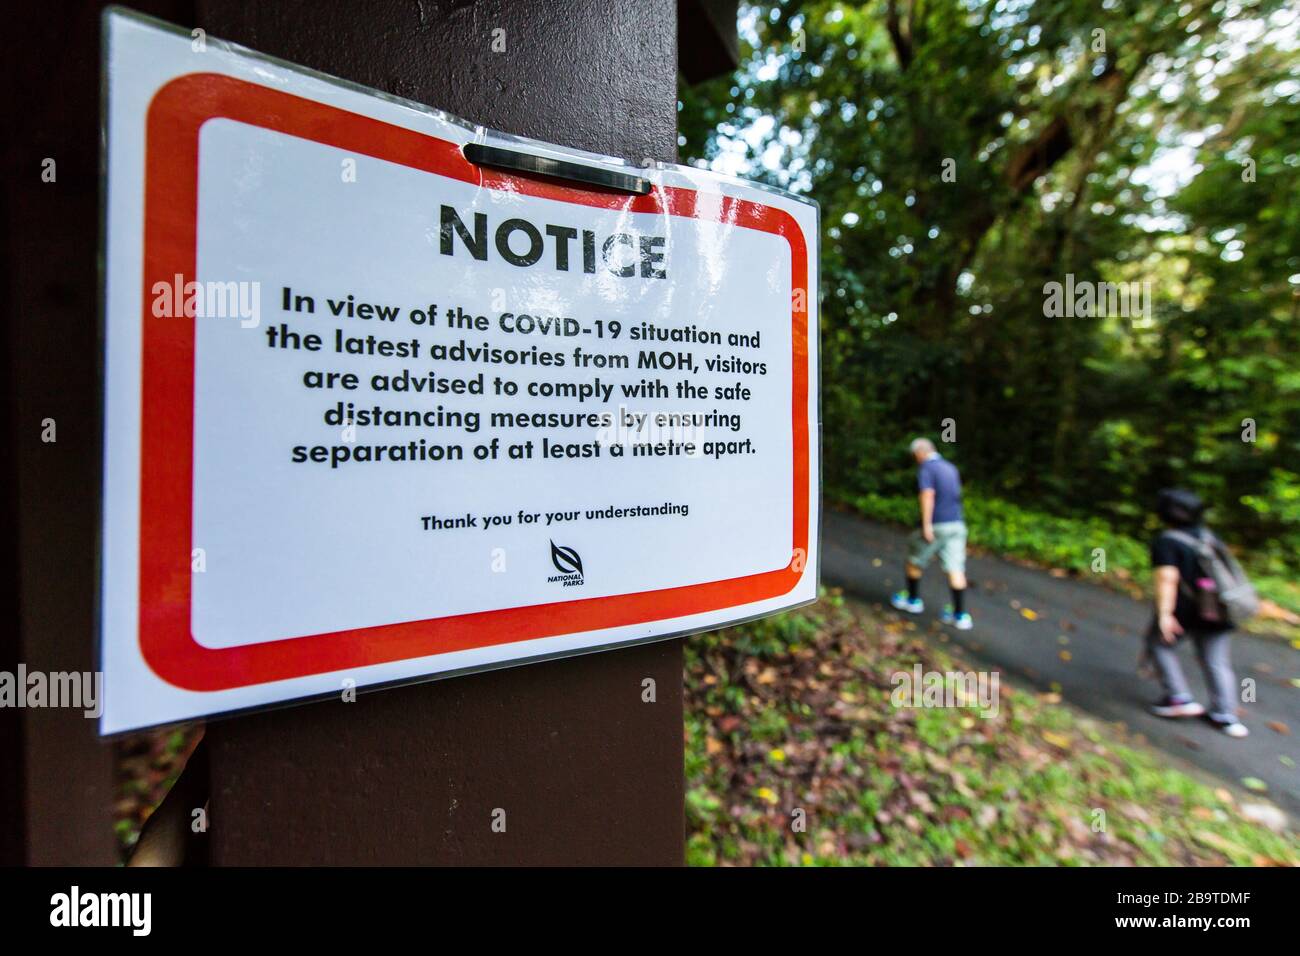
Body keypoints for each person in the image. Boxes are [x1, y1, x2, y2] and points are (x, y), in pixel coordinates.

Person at [1145, 488, 1248, 737]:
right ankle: (1225, 715)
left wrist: (1164, 616)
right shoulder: (1208, 536)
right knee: (1216, 660)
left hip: (1188, 611)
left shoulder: (1167, 541)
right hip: (1221, 609)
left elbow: (1167, 580)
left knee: (1159, 644)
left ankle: (1179, 698)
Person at [890, 438, 971, 629]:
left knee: (914, 561)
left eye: (914, 456)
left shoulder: (927, 468)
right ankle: (960, 615)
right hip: (957, 525)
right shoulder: (950, 467)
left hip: (937, 525)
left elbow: (927, 494)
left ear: (919, 452)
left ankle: (913, 600)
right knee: (956, 569)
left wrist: (926, 525)